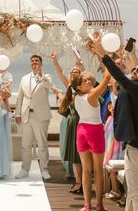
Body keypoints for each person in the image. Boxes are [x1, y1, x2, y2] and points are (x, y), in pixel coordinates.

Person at [86, 32, 138, 211]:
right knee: (133, 191)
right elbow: (123, 78)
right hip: (135, 147)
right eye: (133, 70)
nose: (134, 72)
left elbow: (121, 78)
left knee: (137, 192)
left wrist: (104, 55)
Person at [68, 69, 111, 211]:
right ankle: (99, 204)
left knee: (87, 170)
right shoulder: (92, 96)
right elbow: (106, 79)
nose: (89, 82)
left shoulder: (76, 97)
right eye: (84, 81)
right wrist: (105, 57)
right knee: (97, 170)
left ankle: (87, 205)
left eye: (88, 80)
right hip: (94, 131)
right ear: (79, 87)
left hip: (81, 131)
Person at [15, 54, 53, 179]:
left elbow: (49, 87)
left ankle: (44, 169)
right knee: (25, 144)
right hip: (26, 115)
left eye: (37, 61)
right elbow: (20, 97)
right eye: (32, 61)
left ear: (41, 64)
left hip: (41, 116)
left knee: (42, 144)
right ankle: (25, 169)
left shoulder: (47, 77)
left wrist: (40, 74)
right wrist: (18, 113)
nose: (34, 63)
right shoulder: (24, 78)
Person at [52, 50, 84, 192]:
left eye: (76, 72)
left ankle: (82, 180)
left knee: (80, 154)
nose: (73, 73)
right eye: (72, 72)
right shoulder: (69, 88)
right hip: (70, 122)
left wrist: (80, 65)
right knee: (71, 152)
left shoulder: (84, 88)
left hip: (81, 123)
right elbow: (59, 73)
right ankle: (75, 177)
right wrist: (54, 60)